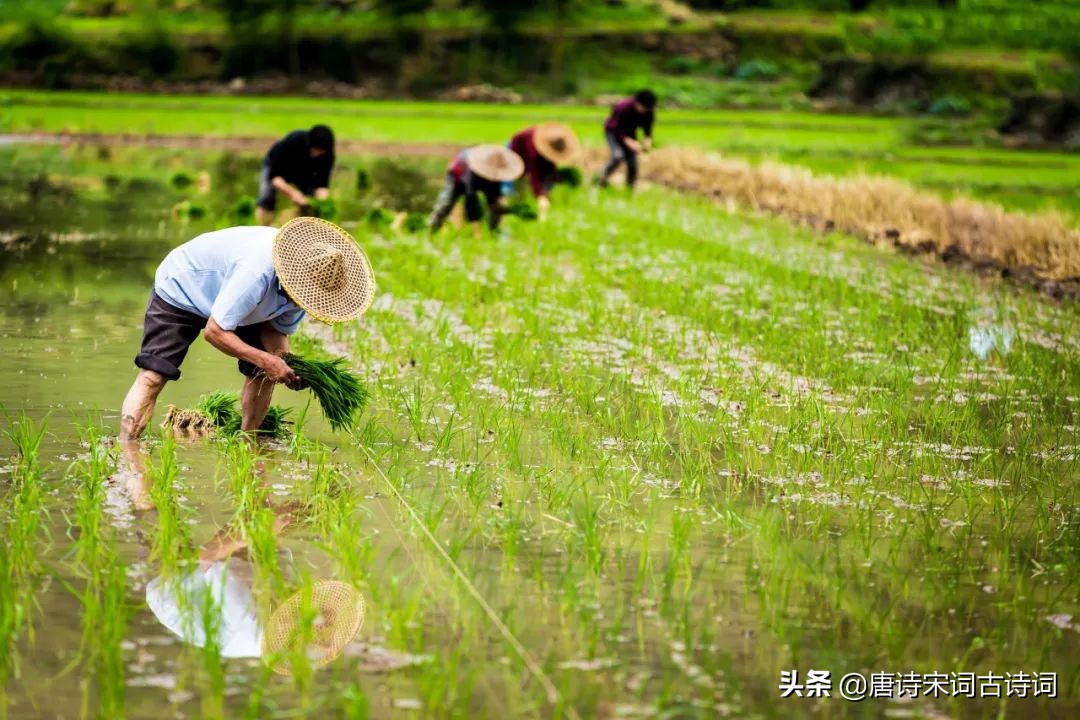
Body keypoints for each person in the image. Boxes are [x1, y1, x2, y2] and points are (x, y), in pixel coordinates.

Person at [118, 217, 375, 456]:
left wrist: (285, 364)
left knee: (265, 374)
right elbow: (215, 331)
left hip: (242, 305)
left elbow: (275, 332)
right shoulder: (256, 272)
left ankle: (248, 446)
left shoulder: (306, 292)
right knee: (154, 376)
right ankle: (125, 452)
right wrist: (266, 360)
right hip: (184, 287)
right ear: (292, 276)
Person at [429, 144, 524, 238]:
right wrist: (476, 231)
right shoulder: (472, 170)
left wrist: (504, 208)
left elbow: (494, 196)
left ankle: (495, 232)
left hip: (480, 178)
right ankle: (432, 230)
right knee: (447, 203)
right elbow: (470, 198)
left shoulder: (497, 174)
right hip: (457, 175)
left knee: (496, 204)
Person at [256, 125, 336, 226]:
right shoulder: (293, 141)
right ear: (310, 145)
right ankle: (264, 229)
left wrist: (322, 203)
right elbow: (276, 179)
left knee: (309, 206)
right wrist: (293, 193)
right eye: (316, 150)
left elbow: (322, 184)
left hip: (304, 171)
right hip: (278, 167)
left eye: (322, 152)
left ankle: (302, 232)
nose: (319, 154)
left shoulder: (327, 154)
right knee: (267, 199)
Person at [506, 122, 581, 220]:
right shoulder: (532, 149)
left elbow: (550, 166)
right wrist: (540, 196)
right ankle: (516, 211)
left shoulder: (550, 145)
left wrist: (546, 192)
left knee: (546, 180)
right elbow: (534, 174)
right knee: (516, 187)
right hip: (515, 151)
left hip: (533, 155)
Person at [597, 89, 657, 190]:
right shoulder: (623, 107)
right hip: (613, 132)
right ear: (637, 103)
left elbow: (648, 128)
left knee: (632, 162)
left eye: (647, 109)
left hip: (629, 133)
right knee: (618, 156)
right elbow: (615, 127)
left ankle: (630, 187)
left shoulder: (649, 111)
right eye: (643, 108)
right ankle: (601, 178)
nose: (645, 111)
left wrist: (647, 139)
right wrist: (628, 141)